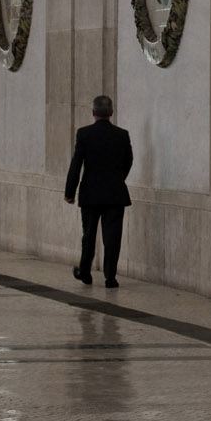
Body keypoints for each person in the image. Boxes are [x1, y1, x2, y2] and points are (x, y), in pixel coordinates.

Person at [64, 95, 133, 288]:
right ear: (111, 112)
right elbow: (128, 161)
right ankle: (110, 277)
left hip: (91, 193)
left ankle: (85, 271)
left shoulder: (84, 134)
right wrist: (118, 179)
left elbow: (76, 164)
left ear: (93, 112)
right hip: (115, 194)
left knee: (89, 234)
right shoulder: (122, 134)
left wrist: (70, 192)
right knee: (113, 237)